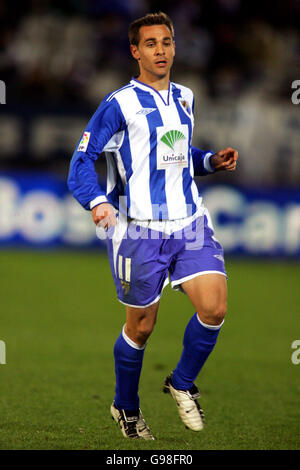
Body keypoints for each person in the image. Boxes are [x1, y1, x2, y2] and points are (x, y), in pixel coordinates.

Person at [68, 11, 238, 440]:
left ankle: (181, 383)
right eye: (150, 44)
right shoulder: (118, 104)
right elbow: (80, 162)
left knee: (215, 308)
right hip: (138, 229)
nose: (160, 50)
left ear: (175, 47)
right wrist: (99, 203)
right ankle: (125, 406)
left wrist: (208, 161)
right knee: (141, 327)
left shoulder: (186, 96)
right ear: (135, 51)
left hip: (190, 221)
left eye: (166, 42)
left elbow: (175, 153)